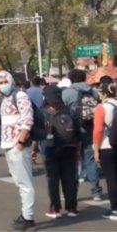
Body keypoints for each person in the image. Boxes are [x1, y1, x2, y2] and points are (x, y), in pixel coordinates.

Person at [0, 70, 36, 231]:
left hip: (18, 144)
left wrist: (21, 141)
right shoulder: (4, 99)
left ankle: (28, 217)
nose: (3, 85)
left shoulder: (19, 95)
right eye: (0, 83)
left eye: (5, 81)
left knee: (25, 183)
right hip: (8, 145)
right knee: (19, 181)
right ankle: (25, 213)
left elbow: (27, 119)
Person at [62, 69, 103, 201]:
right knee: (90, 160)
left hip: (72, 130)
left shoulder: (67, 93)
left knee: (72, 161)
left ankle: (71, 192)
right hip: (89, 127)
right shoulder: (93, 92)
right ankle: (96, 192)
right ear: (84, 78)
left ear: (70, 79)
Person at [39, 85, 80, 219]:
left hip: (49, 149)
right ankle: (72, 208)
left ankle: (55, 208)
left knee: (52, 180)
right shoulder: (70, 111)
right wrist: (78, 149)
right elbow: (78, 132)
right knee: (70, 179)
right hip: (69, 148)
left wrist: (33, 149)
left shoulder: (42, 112)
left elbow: (37, 133)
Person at [94, 83, 117, 221]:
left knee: (111, 178)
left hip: (106, 145)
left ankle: (115, 208)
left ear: (103, 94)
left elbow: (98, 130)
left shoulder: (101, 108)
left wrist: (96, 149)